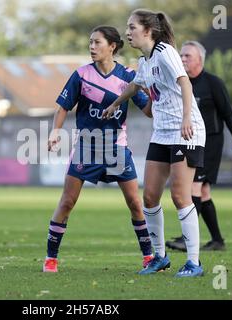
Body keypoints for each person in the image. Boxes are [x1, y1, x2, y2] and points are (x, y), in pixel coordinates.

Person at [103, 9, 206, 277]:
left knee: (180, 196)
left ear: (148, 30)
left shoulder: (165, 52)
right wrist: (115, 103)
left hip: (186, 131)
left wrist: (186, 118)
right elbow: (135, 86)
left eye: (132, 27)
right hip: (161, 133)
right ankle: (159, 257)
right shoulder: (145, 61)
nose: (127, 32)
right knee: (149, 197)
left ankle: (194, 262)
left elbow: (185, 83)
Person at [43, 25, 153, 273]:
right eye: (90, 42)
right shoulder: (81, 75)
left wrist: (156, 94)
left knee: (135, 203)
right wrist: (55, 132)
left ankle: (148, 257)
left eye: (97, 43)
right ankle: (51, 259)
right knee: (67, 202)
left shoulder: (128, 76)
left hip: (116, 148)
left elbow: (147, 111)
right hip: (86, 147)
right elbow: (63, 107)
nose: (92, 47)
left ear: (112, 46)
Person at [165, 41, 232, 252]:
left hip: (210, 143)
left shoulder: (213, 83)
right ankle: (217, 240)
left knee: (194, 187)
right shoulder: (179, 83)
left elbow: (228, 115)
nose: (183, 59)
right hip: (188, 142)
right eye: (181, 55)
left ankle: (187, 238)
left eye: (188, 56)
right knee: (203, 193)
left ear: (200, 60)